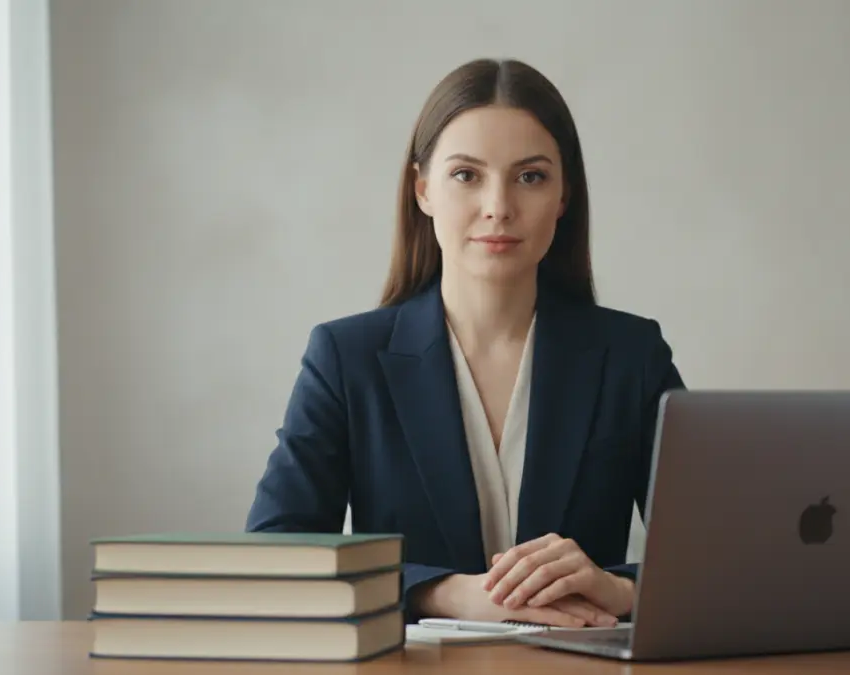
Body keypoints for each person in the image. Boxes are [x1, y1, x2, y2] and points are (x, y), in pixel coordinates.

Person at [245, 58, 685, 629]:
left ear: (563, 196)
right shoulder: (344, 357)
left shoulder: (632, 356)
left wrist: (617, 590)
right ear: (422, 189)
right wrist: (443, 593)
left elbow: (716, 560)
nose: (498, 206)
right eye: (465, 175)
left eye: (530, 176)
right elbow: (275, 553)